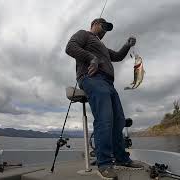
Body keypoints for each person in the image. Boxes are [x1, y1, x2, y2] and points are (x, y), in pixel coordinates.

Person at [65, 18, 143, 180]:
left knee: (119, 120)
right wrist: (91, 58)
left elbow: (119, 56)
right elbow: (70, 47)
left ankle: (121, 158)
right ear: (93, 24)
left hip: (109, 83)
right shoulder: (84, 34)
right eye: (103, 25)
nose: (105, 29)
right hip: (92, 78)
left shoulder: (103, 48)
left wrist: (127, 45)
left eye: (108, 28)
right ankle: (104, 163)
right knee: (105, 119)